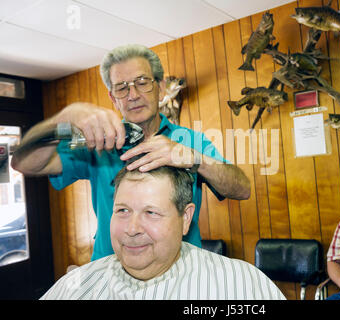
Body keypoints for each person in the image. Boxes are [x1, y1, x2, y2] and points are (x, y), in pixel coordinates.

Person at [11, 44, 250, 261]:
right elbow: (25, 162)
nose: (133, 95)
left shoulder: (189, 141)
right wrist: (62, 122)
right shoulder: (95, 144)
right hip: (110, 277)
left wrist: (193, 158)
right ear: (113, 98)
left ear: (160, 88)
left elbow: (241, 189)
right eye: (121, 88)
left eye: (142, 82)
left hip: (182, 274)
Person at [40, 166, 285, 300]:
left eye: (151, 213)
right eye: (123, 210)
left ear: (186, 218)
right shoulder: (76, 287)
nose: (132, 229)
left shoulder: (240, 284)